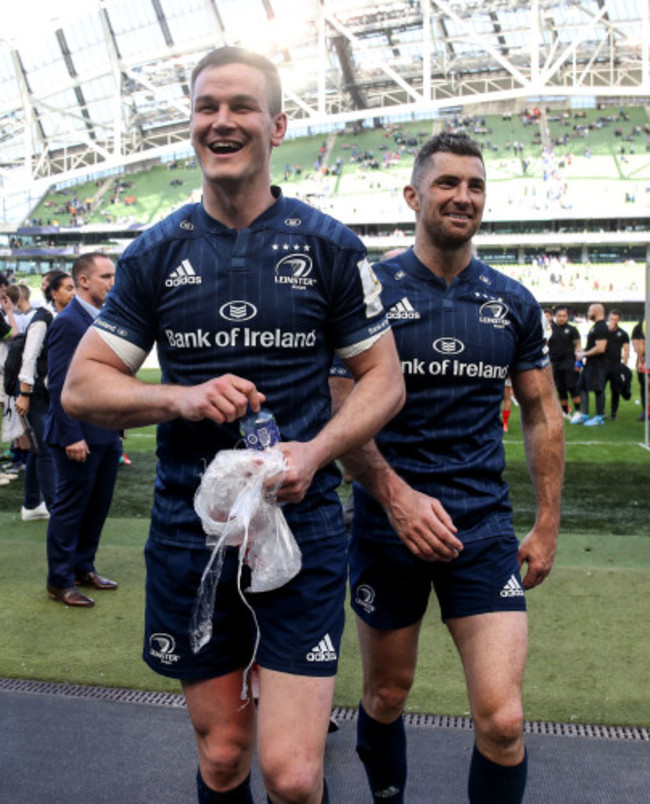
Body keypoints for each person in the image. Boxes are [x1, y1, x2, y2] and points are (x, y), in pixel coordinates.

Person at [61, 46, 404, 804]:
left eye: (241, 107)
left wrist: (315, 452)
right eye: (206, 107)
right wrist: (179, 398)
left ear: (277, 125)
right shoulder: (156, 252)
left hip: (302, 530)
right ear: (191, 126)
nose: (222, 121)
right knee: (223, 756)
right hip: (194, 536)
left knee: (290, 774)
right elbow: (82, 387)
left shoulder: (328, 246)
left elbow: (385, 381)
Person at [330, 132, 564, 804]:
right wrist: (397, 498)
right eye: (448, 183)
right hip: (385, 529)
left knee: (503, 718)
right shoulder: (370, 291)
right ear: (413, 195)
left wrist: (547, 525)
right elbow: (339, 413)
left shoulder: (513, 301)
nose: (464, 197)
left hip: (481, 531)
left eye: (476, 186)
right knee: (385, 692)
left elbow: (543, 413)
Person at [44, 253, 121, 607]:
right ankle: (59, 580)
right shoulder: (68, 322)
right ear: (84, 281)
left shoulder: (106, 319)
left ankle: (82, 568)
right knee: (71, 508)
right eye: (105, 276)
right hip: (77, 436)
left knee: (97, 506)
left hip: (104, 433)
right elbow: (60, 386)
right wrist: (72, 434)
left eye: (113, 276)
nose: (112, 282)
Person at [16, 271, 76, 520]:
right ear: (54, 293)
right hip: (37, 393)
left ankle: (31, 504)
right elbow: (29, 356)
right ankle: (55, 508)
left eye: (73, 287)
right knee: (47, 449)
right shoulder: (43, 318)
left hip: (51, 393)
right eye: (68, 288)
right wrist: (24, 393)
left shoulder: (66, 317)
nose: (72, 292)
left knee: (39, 448)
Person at [570, 303, 608, 426]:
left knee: (598, 389)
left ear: (596, 312)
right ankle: (585, 414)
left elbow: (601, 348)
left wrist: (584, 354)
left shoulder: (601, 327)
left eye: (589, 311)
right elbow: (593, 346)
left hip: (598, 364)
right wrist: (584, 350)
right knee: (582, 386)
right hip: (590, 363)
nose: (587, 314)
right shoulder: (595, 327)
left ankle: (599, 417)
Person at [547, 305, 582, 419]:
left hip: (569, 362)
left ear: (567, 317)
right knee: (560, 388)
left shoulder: (572, 330)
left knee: (572, 386)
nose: (561, 318)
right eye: (559, 316)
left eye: (564, 316)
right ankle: (565, 412)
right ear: (555, 316)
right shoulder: (550, 330)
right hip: (555, 363)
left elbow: (578, 346)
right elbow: (546, 346)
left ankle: (578, 411)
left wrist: (578, 363)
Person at [604, 309, 630, 422]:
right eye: (611, 319)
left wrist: (624, 365)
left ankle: (614, 412)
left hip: (616, 366)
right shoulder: (603, 332)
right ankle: (601, 412)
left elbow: (626, 350)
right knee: (600, 389)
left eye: (615, 319)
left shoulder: (623, 334)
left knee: (615, 390)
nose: (613, 321)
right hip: (603, 365)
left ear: (619, 320)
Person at [631, 319, 647, 421]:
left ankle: (646, 411)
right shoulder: (640, 327)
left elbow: (638, 345)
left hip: (644, 361)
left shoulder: (640, 326)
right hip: (645, 360)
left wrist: (639, 360)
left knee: (645, 387)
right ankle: (646, 411)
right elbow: (638, 345)